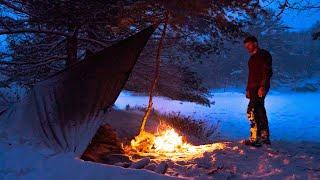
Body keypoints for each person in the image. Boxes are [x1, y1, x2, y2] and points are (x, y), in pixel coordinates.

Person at [243, 36, 273, 147]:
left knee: (251, 110)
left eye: (248, 45)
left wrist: (263, 86)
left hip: (260, 87)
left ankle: (255, 138)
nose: (247, 48)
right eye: (246, 46)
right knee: (259, 110)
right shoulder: (251, 59)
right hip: (252, 88)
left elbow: (267, 71)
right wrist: (248, 89)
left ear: (255, 43)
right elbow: (250, 75)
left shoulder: (263, 54)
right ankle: (263, 137)